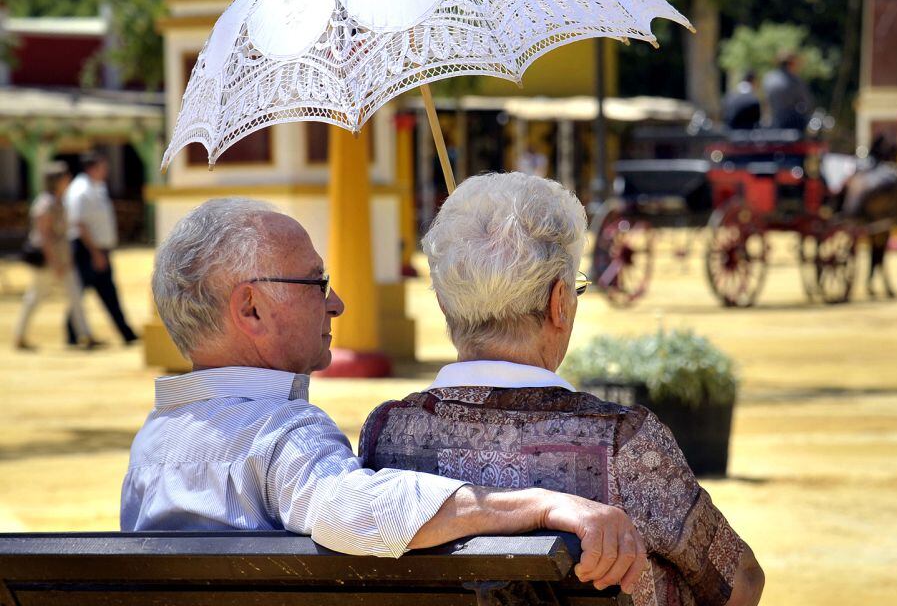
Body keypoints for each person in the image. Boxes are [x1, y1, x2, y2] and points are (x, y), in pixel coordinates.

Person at [122, 198, 647, 594]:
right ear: (251, 309)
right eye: (316, 282)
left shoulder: (152, 444)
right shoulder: (279, 435)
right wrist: (543, 503)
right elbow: (358, 510)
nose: (337, 302)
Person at [359, 173, 764, 606]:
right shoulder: (624, 442)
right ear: (559, 303)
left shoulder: (386, 431)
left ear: (444, 303)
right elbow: (740, 583)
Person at [13, 162, 101, 351]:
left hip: (62, 258)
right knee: (36, 297)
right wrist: (54, 262)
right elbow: (45, 237)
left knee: (74, 295)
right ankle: (19, 334)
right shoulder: (46, 204)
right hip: (48, 260)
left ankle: (85, 335)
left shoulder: (59, 201)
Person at [65, 152, 138, 345]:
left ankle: (125, 332)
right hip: (87, 249)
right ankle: (74, 333)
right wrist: (95, 253)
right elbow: (79, 225)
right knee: (82, 291)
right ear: (91, 168)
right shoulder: (80, 190)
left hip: (98, 249)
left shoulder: (98, 187)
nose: (106, 170)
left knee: (104, 292)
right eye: (102, 167)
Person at [762, 52, 813, 131]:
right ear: (791, 63)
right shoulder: (795, 81)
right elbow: (807, 103)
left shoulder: (768, 79)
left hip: (773, 121)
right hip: (791, 124)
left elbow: (766, 102)